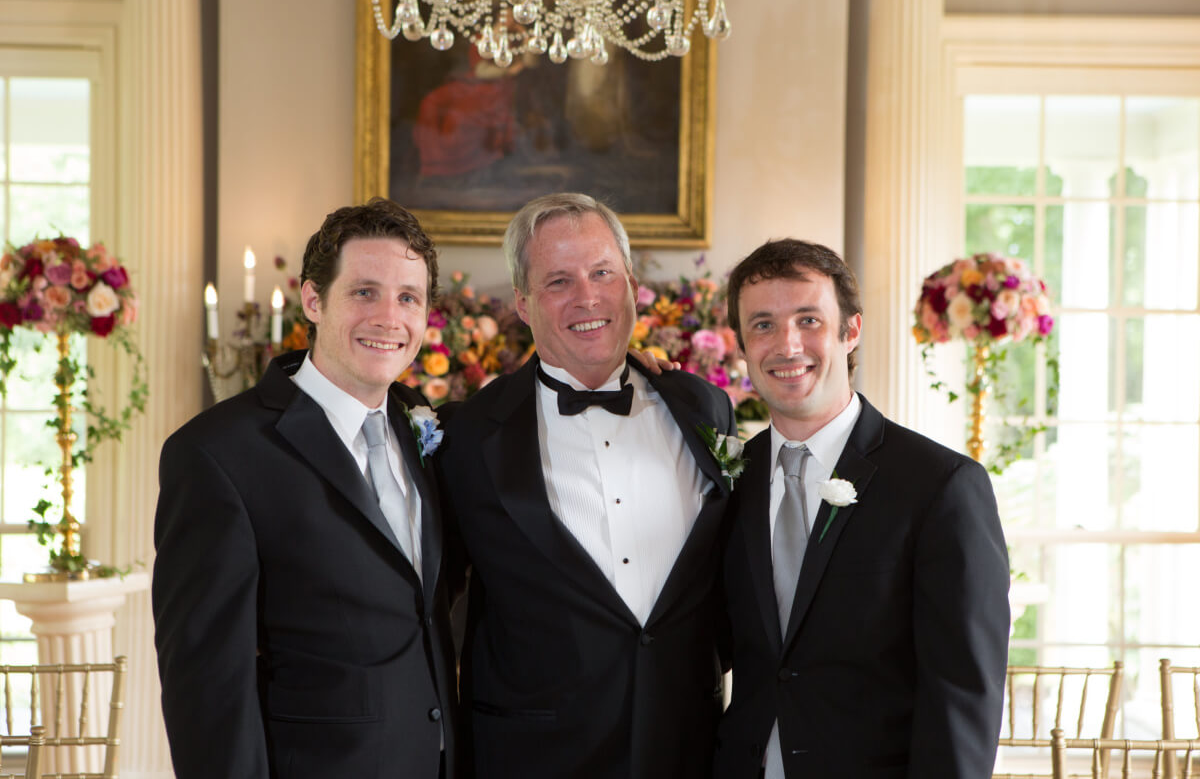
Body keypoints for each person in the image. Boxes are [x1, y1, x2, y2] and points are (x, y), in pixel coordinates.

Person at [153, 198, 461, 779]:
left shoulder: (422, 424)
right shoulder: (217, 453)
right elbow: (208, 685)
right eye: (365, 292)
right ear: (314, 300)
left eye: (408, 298)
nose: (389, 318)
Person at [436, 192, 737, 778]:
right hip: (532, 757)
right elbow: (429, 600)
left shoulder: (704, 408)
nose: (588, 297)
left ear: (631, 284)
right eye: (558, 281)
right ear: (522, 303)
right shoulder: (467, 435)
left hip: (686, 748)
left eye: (602, 273)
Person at [714, 239, 1009, 779]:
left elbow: (963, 693)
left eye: (808, 320)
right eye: (763, 325)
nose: (787, 344)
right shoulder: (727, 481)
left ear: (851, 330)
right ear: (742, 344)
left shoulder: (941, 486)